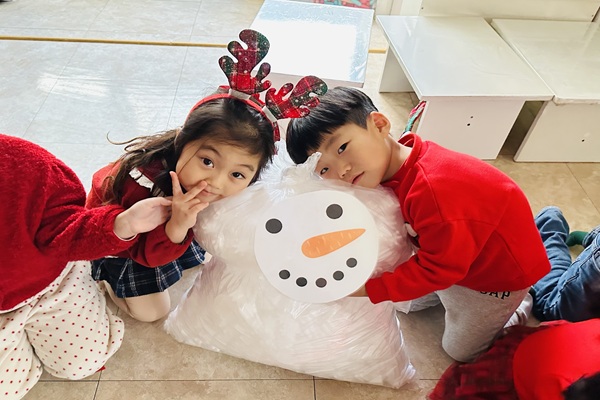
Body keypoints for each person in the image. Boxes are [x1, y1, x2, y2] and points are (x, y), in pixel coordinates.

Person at [285, 86, 550, 362]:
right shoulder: (393, 162)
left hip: (495, 278)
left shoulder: (433, 193)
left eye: (342, 148)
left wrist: (365, 289)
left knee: (461, 351)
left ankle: (520, 306)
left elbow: (440, 269)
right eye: (324, 169)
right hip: (452, 253)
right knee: (405, 302)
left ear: (379, 124)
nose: (342, 170)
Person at [87, 28, 327, 323]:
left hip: (169, 234)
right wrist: (177, 223)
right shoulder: (141, 185)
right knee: (153, 312)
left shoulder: (219, 184)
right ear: (181, 140)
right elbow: (144, 254)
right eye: (207, 161)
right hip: (126, 247)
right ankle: (108, 283)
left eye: (237, 174)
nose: (216, 182)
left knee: (197, 254)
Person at [0, 134, 171, 400]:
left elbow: (70, 225)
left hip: (53, 282)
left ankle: (92, 278)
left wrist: (121, 225)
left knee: (83, 363)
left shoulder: (26, 162)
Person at [428, 283, 600, 400]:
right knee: (462, 350)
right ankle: (519, 300)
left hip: (554, 348)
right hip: (521, 369)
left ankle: (520, 297)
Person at [530, 205, 600, 322]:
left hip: (565, 311)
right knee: (551, 216)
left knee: (550, 218)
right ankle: (591, 240)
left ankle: (590, 239)